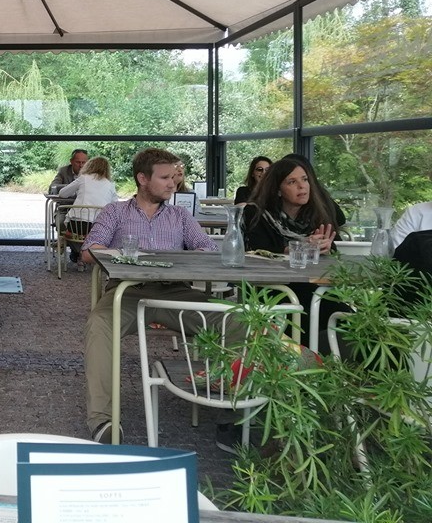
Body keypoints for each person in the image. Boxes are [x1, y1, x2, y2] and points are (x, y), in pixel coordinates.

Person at [80, 148, 218, 443]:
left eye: (173, 177)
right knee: (99, 325)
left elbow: (208, 249)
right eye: (165, 178)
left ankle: (236, 411)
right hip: (128, 291)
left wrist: (190, 257)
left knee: (234, 320)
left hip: (176, 293)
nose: (173, 184)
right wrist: (122, 254)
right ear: (143, 179)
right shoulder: (115, 212)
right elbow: (89, 251)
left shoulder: (180, 215)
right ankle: (103, 420)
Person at [242, 157, 338, 347]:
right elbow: (258, 250)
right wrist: (299, 247)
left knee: (343, 314)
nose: (302, 186)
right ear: (277, 189)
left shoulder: (316, 213)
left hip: (311, 285)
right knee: (309, 311)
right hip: (271, 287)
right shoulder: (256, 213)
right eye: (292, 182)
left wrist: (326, 247)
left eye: (305, 179)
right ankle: (302, 357)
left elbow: (333, 247)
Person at [57, 156, 117, 266]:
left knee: (69, 229)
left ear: (90, 165)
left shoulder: (83, 178)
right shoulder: (110, 185)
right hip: (98, 227)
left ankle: (77, 252)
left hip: (76, 226)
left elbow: (62, 193)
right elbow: (115, 205)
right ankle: (84, 255)